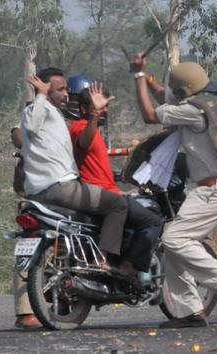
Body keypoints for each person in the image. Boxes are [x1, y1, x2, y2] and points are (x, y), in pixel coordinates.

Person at [130, 53, 217, 328]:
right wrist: (148, 79)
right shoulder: (213, 102)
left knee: (173, 239)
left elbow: (150, 114)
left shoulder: (193, 111)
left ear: (184, 92)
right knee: (177, 247)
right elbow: (166, 97)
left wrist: (137, 76)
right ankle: (190, 312)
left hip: (214, 190)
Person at [21, 67, 129, 274]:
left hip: (42, 190)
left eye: (66, 90)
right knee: (119, 204)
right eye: (60, 90)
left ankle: (75, 264)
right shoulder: (39, 110)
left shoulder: (52, 114)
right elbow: (32, 125)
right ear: (45, 90)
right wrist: (42, 94)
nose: (65, 94)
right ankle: (102, 258)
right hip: (59, 186)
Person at [66, 74, 163, 277]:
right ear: (84, 109)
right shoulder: (79, 127)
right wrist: (94, 114)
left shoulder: (95, 132)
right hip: (102, 194)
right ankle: (126, 267)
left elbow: (93, 163)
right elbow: (84, 141)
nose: (104, 111)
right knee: (154, 221)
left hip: (104, 190)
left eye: (105, 107)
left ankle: (118, 261)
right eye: (97, 107)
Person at [10, 122, 42, 329]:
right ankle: (26, 311)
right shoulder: (38, 111)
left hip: (67, 186)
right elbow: (17, 133)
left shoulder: (79, 119)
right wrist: (29, 150)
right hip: (34, 190)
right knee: (29, 242)